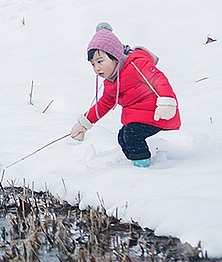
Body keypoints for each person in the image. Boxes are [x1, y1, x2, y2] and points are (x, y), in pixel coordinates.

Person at [69, 22, 179, 167]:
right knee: (123, 137)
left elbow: (159, 79)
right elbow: (104, 104)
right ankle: (138, 163)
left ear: (115, 57)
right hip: (138, 118)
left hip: (158, 113)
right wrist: (84, 124)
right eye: (93, 64)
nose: (97, 68)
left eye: (100, 61)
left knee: (131, 135)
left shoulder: (136, 65)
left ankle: (144, 169)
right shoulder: (111, 82)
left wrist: (166, 103)